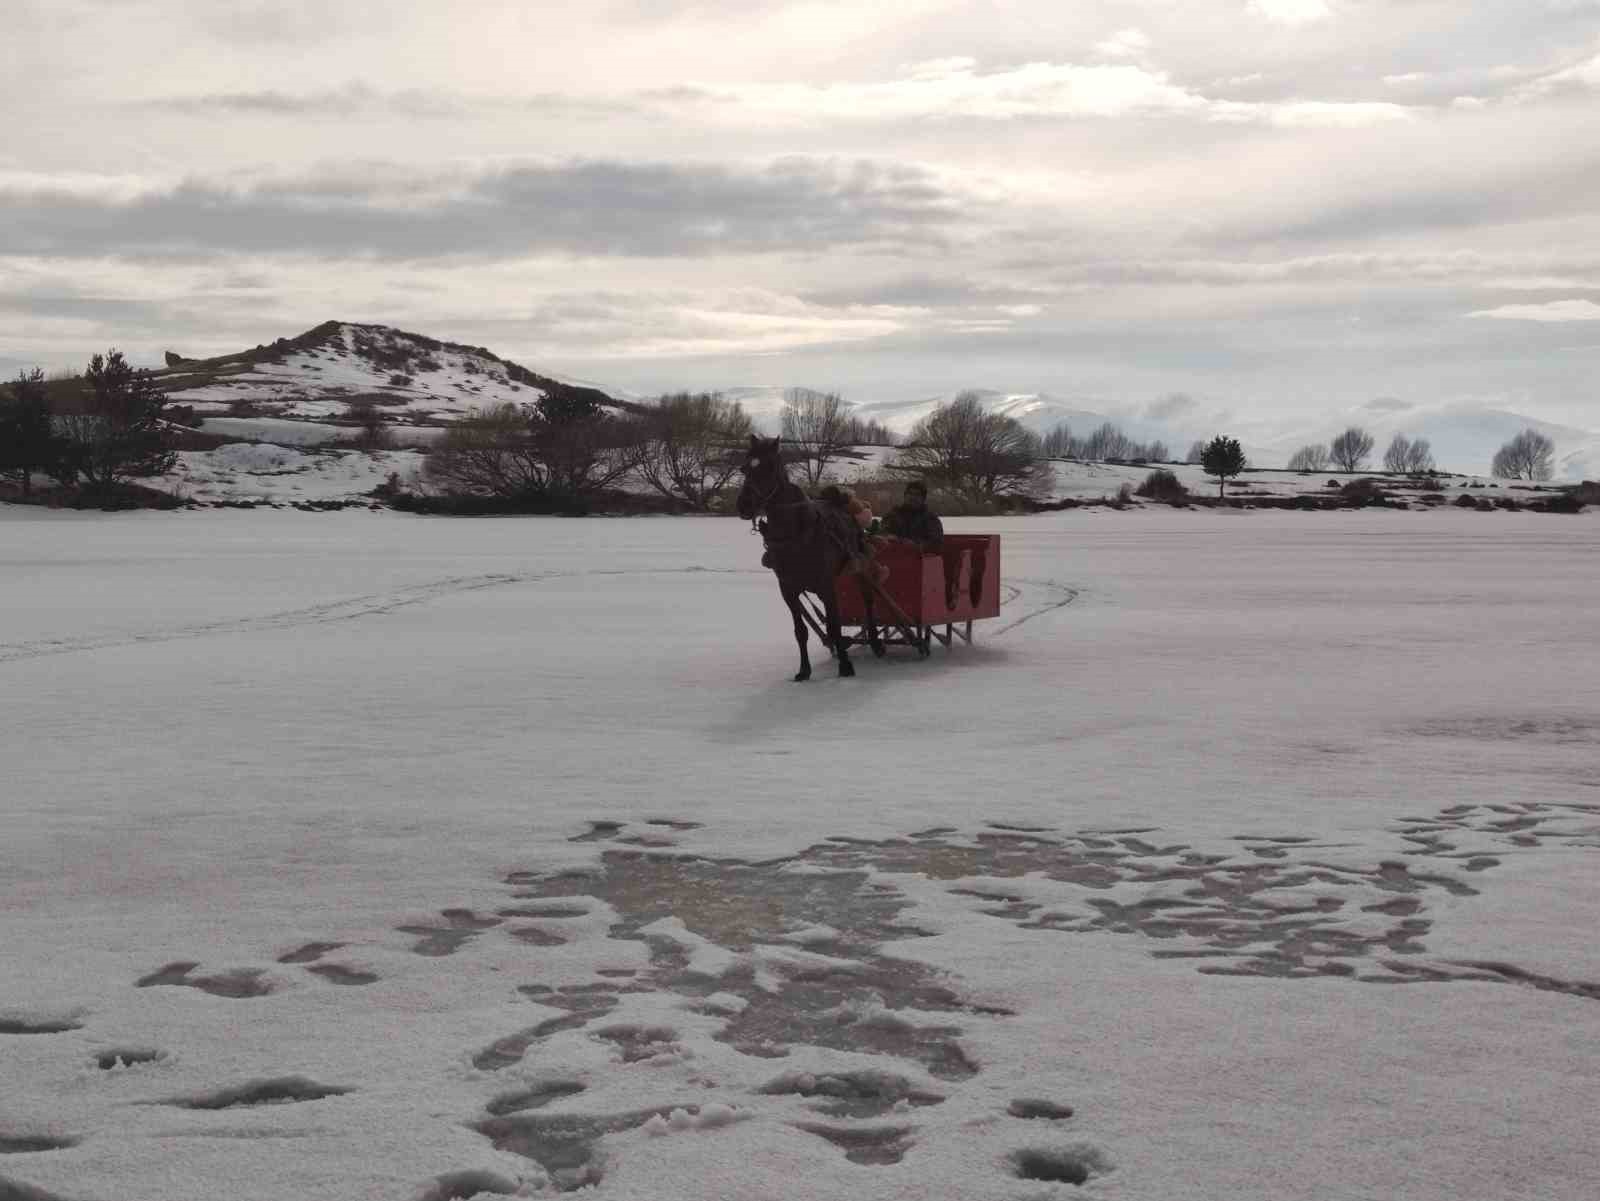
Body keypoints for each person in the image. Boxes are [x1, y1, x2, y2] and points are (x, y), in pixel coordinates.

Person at [881, 481, 944, 551]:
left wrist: (916, 545)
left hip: (920, 558)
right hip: (894, 555)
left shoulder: (931, 518)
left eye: (917, 494)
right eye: (910, 493)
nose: (913, 497)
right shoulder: (893, 515)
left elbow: (936, 543)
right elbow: (882, 532)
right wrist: (889, 537)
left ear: (923, 499)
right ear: (905, 495)